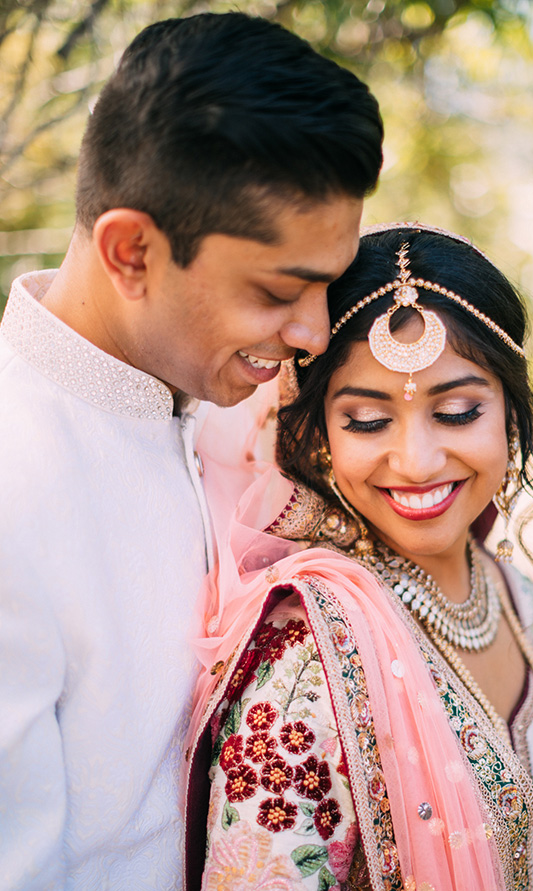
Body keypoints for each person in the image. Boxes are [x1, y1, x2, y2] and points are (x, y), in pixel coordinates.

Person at [0, 13, 379, 888]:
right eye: (278, 291)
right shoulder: (16, 491)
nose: (315, 333)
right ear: (132, 250)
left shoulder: (230, 418)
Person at [180, 225, 533, 890]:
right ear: (318, 437)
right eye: (368, 421)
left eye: (458, 411)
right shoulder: (311, 661)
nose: (417, 460)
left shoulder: (511, 593)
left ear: (511, 413)